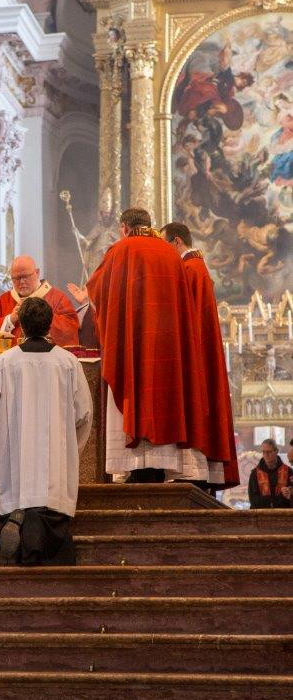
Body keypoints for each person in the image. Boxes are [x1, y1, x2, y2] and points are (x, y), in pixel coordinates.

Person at [82, 207, 210, 483]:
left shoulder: (119, 251)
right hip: (167, 350)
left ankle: (135, 466)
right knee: (165, 400)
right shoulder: (169, 254)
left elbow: (97, 293)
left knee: (133, 395)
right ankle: (163, 464)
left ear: (125, 227)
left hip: (132, 347)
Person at [0, 298, 92, 565]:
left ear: (22, 326)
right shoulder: (67, 362)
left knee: (18, 492)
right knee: (52, 501)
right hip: (56, 457)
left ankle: (17, 520)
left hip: (16, 456)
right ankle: (45, 536)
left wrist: (1, 440)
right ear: (49, 323)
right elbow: (83, 413)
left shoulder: (5, 362)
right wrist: (70, 447)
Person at [161, 221, 239, 490]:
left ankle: (193, 469)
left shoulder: (189, 269)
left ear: (177, 242)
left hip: (193, 355)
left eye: (165, 244)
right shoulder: (196, 267)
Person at [0, 256, 79, 347]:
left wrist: (42, 316)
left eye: (26, 276)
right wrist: (10, 319)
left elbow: (71, 329)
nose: (21, 282)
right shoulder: (3, 301)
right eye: (17, 278)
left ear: (37, 272)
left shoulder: (57, 298)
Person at [248, 439, 292, 509]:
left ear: (276, 451)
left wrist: (269, 501)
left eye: (269, 452)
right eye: (264, 452)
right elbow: (253, 501)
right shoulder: (254, 474)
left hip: (283, 515)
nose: (266, 455)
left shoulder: (288, 471)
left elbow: (290, 498)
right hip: (261, 516)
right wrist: (274, 501)